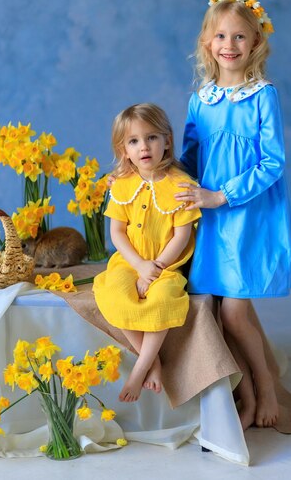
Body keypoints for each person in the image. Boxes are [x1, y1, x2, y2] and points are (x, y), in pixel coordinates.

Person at [175, 0, 291, 430]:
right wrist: (137, 174)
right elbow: (187, 161)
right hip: (210, 219)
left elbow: (272, 162)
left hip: (247, 215)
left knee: (233, 311)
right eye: (221, 36)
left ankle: (265, 386)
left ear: (256, 43)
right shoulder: (200, 100)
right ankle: (242, 396)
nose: (230, 45)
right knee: (218, 309)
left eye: (240, 37)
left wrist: (221, 195)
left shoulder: (263, 95)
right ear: (208, 43)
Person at [93, 103, 201, 403]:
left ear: (167, 141)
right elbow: (116, 233)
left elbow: (182, 235)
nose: (144, 147)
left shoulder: (182, 185)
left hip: (166, 265)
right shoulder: (123, 186)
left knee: (164, 298)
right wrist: (139, 266)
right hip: (129, 261)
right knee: (113, 293)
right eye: (134, 141)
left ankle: (141, 366)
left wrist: (155, 269)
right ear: (123, 150)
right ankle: (152, 362)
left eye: (152, 137)